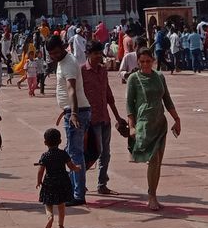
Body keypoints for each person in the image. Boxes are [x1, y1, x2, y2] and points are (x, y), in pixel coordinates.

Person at [125, 47, 181, 211]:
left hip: (160, 123)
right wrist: (132, 127)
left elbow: (167, 99)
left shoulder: (159, 77)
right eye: (142, 62)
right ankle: (151, 196)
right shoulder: (134, 79)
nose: (145, 64)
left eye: (148, 61)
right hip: (144, 123)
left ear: (153, 60)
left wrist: (176, 119)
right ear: (138, 62)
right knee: (154, 160)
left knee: (158, 162)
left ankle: (153, 193)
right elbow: (129, 104)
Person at [47, 34, 90, 205]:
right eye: (51, 54)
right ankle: (75, 188)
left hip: (77, 112)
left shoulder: (69, 63)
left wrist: (73, 113)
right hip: (72, 110)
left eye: (57, 52)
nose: (55, 56)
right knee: (72, 150)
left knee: (75, 154)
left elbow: (72, 89)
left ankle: (78, 194)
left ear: (64, 46)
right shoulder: (63, 62)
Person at [81, 40, 124, 196]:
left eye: (100, 53)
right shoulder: (81, 72)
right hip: (90, 119)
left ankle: (102, 184)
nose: (98, 56)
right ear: (88, 54)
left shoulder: (103, 71)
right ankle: (78, 180)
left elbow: (108, 94)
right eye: (95, 53)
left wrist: (118, 117)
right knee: (92, 152)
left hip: (104, 117)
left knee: (105, 153)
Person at [36, 127, 79, 228]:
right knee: (61, 204)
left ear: (45, 142)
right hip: (62, 181)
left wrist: (39, 181)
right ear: (60, 141)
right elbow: (70, 166)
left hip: (49, 182)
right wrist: (76, 168)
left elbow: (40, 170)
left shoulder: (45, 156)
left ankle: (50, 217)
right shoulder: (63, 154)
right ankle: (60, 225)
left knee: (48, 203)